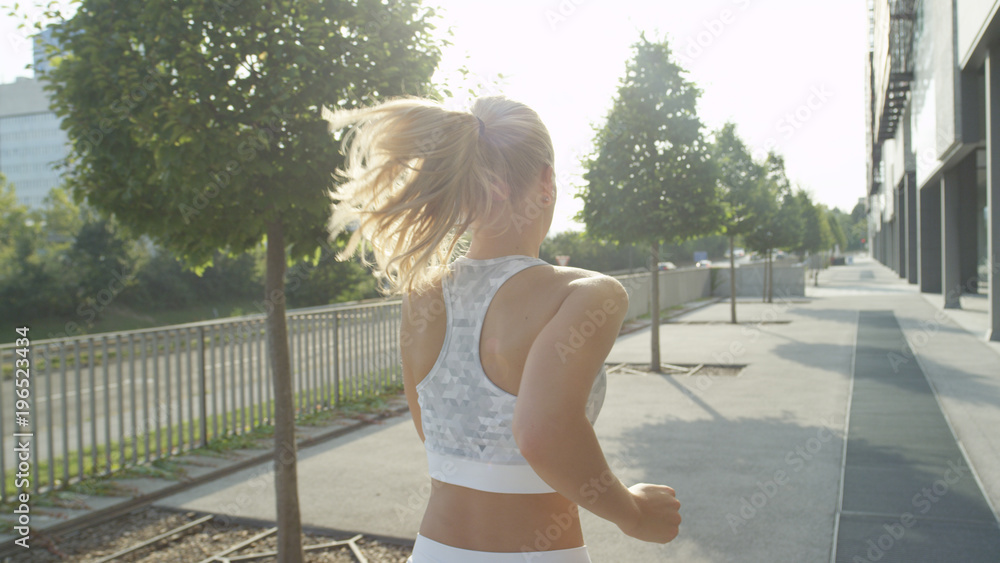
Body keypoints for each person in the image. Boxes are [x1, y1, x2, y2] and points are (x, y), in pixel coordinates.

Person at [324, 95, 681, 563]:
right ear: (547, 181)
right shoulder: (587, 293)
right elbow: (540, 434)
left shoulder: (422, 294)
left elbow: (436, 436)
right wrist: (633, 512)